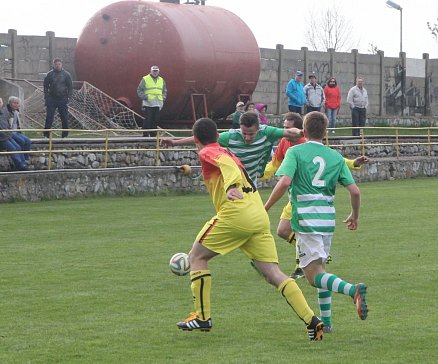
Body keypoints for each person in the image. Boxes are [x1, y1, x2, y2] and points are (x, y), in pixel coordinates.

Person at [175, 117, 324, 341]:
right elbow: (228, 162)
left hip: (237, 213)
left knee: (196, 256)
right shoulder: (228, 151)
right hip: (258, 214)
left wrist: (231, 186)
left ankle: (203, 317)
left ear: (196, 139)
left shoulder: (208, 152)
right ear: (218, 135)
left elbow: (224, 165)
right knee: (273, 273)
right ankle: (312, 320)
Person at [264, 111, 368, 333]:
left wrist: (265, 208)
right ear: (325, 132)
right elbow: (355, 191)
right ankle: (327, 323)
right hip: (327, 220)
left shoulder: (295, 152)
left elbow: (284, 183)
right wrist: (354, 215)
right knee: (322, 270)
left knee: (314, 277)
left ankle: (353, 290)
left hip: (305, 219)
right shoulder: (335, 157)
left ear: (304, 130)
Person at [161, 111, 302, 182]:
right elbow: (202, 137)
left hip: (252, 183)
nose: (247, 138)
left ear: (258, 129)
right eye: (244, 133)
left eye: (251, 134)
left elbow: (290, 131)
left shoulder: (268, 132)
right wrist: (175, 142)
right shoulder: (231, 136)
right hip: (231, 184)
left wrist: (303, 132)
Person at [43, 58, 73, 138]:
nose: (57, 66)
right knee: (49, 117)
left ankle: (65, 135)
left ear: (61, 64)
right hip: (52, 98)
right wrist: (46, 97)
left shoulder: (66, 74)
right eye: (56, 64)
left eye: (59, 64)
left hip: (62, 98)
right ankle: (46, 134)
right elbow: (45, 87)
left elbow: (70, 87)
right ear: (53, 65)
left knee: (64, 117)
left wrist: (68, 97)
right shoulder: (49, 74)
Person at [137, 65, 167, 137]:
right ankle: (145, 135)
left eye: (156, 71)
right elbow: (139, 90)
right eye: (154, 71)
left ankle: (153, 135)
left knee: (155, 120)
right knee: (148, 119)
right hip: (148, 103)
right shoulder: (145, 79)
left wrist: (163, 97)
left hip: (158, 103)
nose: (155, 72)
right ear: (151, 71)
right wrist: (145, 97)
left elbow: (164, 90)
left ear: (158, 71)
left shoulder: (161, 80)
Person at [0, 98, 28, 171]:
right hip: (1, 138)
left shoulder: (2, 113)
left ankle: (23, 163)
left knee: (18, 147)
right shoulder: (4, 112)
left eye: (0, 102)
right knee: (13, 148)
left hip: (6, 135)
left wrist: (7, 131)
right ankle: (20, 165)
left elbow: (7, 125)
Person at [7, 96, 31, 162]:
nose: (16, 104)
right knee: (21, 141)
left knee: (28, 141)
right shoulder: (7, 112)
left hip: (17, 131)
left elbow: (17, 123)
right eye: (14, 103)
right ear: (10, 103)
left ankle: (26, 159)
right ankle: (22, 160)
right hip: (10, 132)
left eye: (17, 103)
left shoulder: (16, 111)